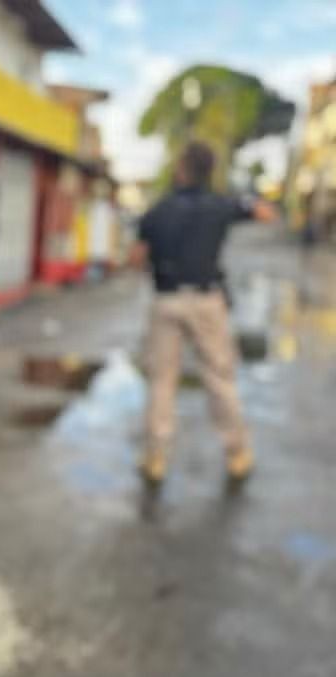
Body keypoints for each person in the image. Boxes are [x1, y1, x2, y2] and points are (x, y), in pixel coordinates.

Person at [135, 141, 276, 485]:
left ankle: (156, 456)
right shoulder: (220, 205)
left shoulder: (159, 210)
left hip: (167, 299)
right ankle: (237, 452)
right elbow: (265, 212)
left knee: (162, 381)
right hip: (207, 300)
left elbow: (135, 257)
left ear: (183, 168)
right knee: (219, 378)